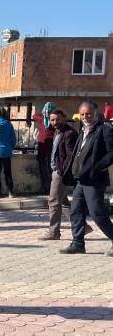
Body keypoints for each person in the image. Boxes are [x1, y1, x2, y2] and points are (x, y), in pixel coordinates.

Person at [59, 102, 113, 256]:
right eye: (82, 114)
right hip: (80, 180)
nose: (85, 117)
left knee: (97, 213)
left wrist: (97, 167)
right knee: (76, 211)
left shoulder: (105, 129)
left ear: (95, 113)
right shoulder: (82, 130)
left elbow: (111, 153)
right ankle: (78, 243)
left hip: (94, 180)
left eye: (88, 114)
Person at [38, 110, 78, 240]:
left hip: (61, 173)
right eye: (52, 120)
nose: (55, 122)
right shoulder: (57, 132)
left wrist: (61, 171)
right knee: (63, 202)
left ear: (64, 118)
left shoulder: (69, 133)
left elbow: (71, 156)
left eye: (57, 119)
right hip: (56, 170)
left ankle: (54, 231)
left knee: (53, 201)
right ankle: (81, 225)